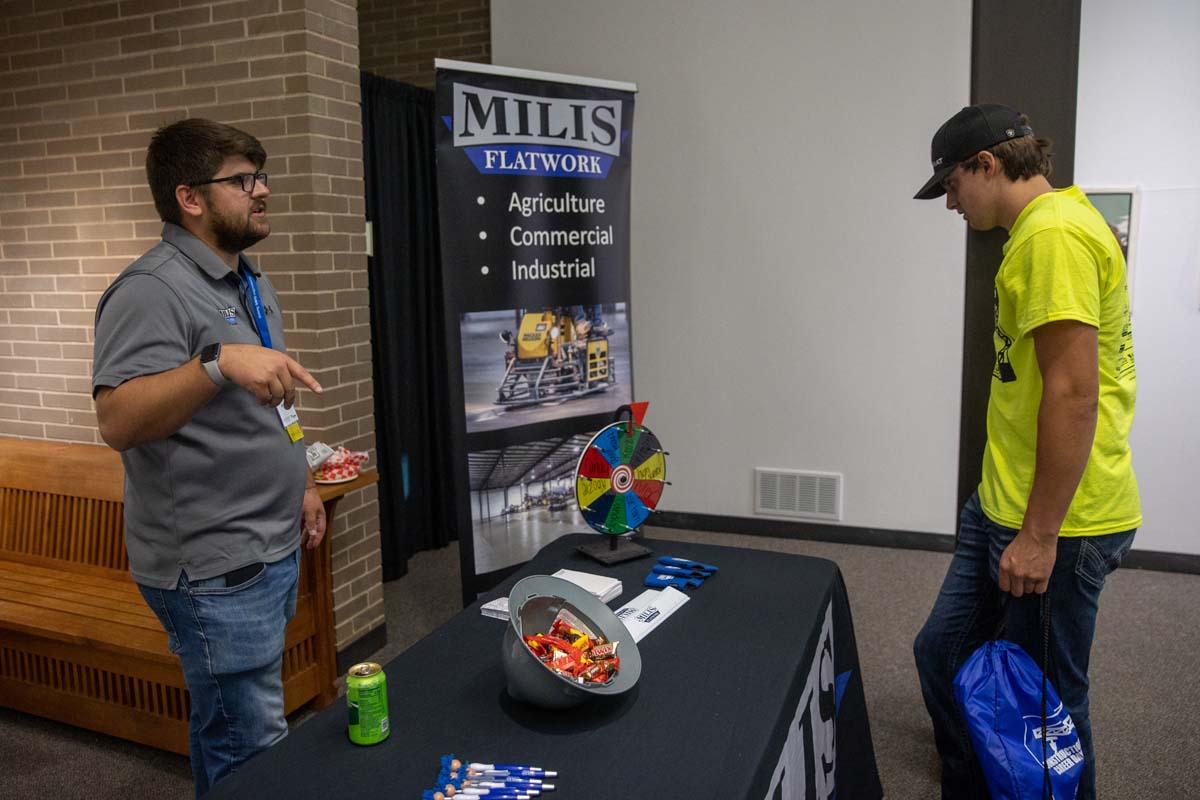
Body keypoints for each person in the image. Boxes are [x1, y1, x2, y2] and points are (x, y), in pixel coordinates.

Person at [92, 119, 327, 797]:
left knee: (227, 726)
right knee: (253, 748)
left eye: (259, 175)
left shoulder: (248, 282)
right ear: (190, 198)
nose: (264, 190)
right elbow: (118, 419)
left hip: (269, 541)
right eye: (243, 180)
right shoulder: (150, 290)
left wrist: (302, 479)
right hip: (213, 566)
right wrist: (217, 363)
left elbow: (274, 397)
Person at [911, 104, 1140, 799]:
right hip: (1003, 503)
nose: (950, 202)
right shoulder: (1041, 231)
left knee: (1048, 706)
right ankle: (975, 783)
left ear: (987, 163)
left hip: (1058, 525)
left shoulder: (1053, 237)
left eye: (951, 184)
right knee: (942, 652)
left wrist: (1039, 535)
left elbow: (1073, 395)